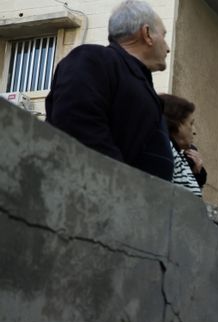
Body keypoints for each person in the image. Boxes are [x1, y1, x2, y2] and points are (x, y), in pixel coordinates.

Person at [47, 0, 173, 180]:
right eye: (164, 35)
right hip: (102, 197)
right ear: (147, 34)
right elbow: (78, 126)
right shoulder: (93, 59)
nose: (168, 48)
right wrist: (120, 184)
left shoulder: (137, 80)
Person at [160, 94, 206, 197]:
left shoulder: (179, 155)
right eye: (191, 123)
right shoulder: (166, 151)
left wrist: (196, 173)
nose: (194, 131)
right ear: (176, 123)